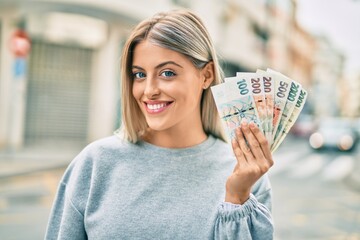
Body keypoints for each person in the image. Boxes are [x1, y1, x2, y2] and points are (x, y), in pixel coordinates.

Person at [45, 9, 274, 240]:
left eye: (167, 73)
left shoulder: (245, 174)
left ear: (206, 76)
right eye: (139, 75)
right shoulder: (95, 164)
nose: (149, 91)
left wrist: (236, 200)